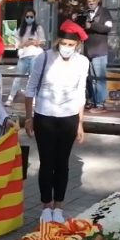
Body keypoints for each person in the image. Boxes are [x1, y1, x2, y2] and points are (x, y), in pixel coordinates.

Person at [24, 20, 89, 223]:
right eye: (64, 44)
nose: (67, 48)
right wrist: (28, 117)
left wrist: (80, 123)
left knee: (62, 164)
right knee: (47, 163)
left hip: (69, 118)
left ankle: (58, 207)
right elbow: (30, 89)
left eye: (71, 45)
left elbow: (80, 93)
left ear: (77, 45)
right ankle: (45, 206)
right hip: (45, 117)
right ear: (58, 41)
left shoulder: (82, 62)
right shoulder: (43, 58)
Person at [5, 9, 46, 107]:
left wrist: (36, 42)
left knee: (33, 79)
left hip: (35, 56)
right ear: (24, 17)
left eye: (31, 17)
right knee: (17, 78)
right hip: (23, 56)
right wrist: (25, 43)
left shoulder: (38, 28)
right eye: (27, 17)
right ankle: (10, 98)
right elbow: (17, 45)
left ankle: (34, 99)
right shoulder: (20, 29)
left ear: (34, 17)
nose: (29, 18)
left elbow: (43, 42)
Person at [83, 0, 113, 113]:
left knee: (99, 78)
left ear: (98, 0)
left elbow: (108, 28)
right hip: (87, 51)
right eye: (89, 1)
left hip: (99, 50)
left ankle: (100, 104)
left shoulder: (105, 12)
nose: (91, 3)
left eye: (93, 1)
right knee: (89, 79)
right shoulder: (85, 13)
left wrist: (92, 26)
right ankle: (92, 101)